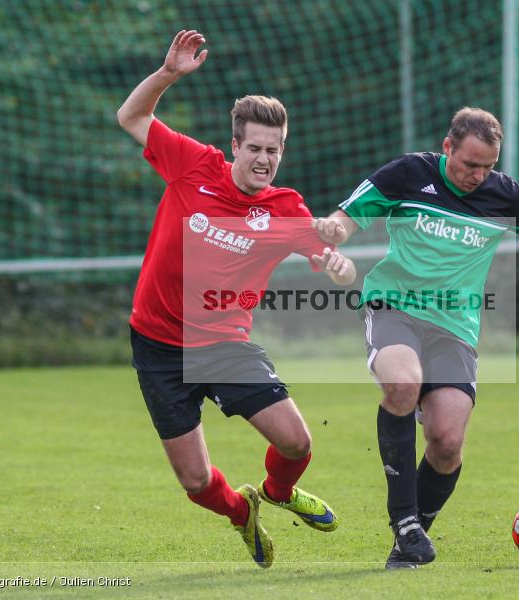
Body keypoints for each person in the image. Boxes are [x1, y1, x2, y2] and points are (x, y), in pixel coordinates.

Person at [116, 30, 355, 569]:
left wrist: (339, 265)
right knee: (197, 481)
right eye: (255, 148)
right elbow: (130, 118)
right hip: (157, 346)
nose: (264, 159)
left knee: (297, 443)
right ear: (235, 147)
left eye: (274, 150)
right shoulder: (192, 165)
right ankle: (240, 513)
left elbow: (330, 258)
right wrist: (169, 75)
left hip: (223, 344)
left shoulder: (287, 209)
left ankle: (276, 491)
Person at [315, 107, 519, 569]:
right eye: (469, 164)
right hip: (394, 308)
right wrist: (330, 232)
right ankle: (403, 520)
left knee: (446, 441)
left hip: (455, 328)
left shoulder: (505, 195)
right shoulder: (409, 173)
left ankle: (409, 540)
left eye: (488, 166)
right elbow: (346, 217)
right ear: (447, 148)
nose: (478, 175)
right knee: (402, 384)